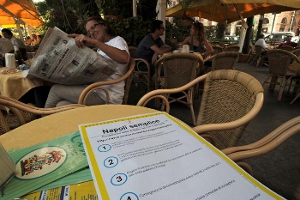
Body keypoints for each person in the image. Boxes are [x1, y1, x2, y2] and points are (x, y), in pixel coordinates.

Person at [45, 16, 130, 108]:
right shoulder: (101, 48)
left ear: (104, 26)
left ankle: (42, 120)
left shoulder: (117, 40)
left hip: (107, 95)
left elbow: (124, 58)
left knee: (55, 90)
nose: (91, 33)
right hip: (95, 90)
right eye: (89, 32)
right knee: (61, 105)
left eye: (93, 27)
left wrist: (94, 42)